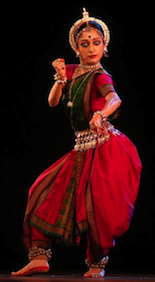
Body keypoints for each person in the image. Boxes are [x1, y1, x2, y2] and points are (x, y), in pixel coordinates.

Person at [11, 8, 142, 278]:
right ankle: (39, 257)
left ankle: (97, 265)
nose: (91, 48)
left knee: (98, 206)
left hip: (105, 147)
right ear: (76, 48)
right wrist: (60, 76)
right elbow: (52, 101)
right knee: (43, 192)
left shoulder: (100, 76)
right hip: (81, 148)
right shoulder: (73, 72)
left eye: (96, 42)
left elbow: (115, 99)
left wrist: (101, 114)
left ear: (105, 46)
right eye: (85, 44)